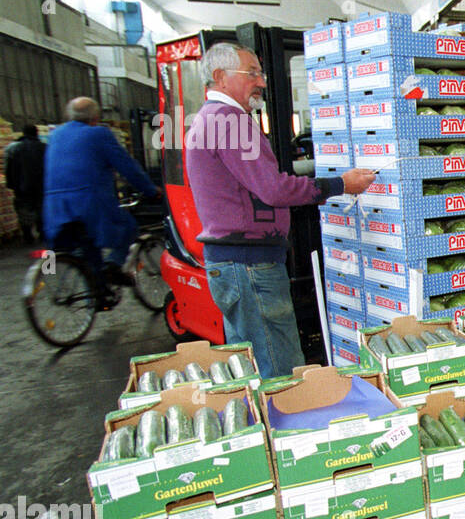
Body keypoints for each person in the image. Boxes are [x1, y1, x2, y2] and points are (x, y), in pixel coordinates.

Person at [186, 42, 375, 378]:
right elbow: (273, 190)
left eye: (261, 72)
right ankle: (286, 426)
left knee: (252, 365)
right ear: (220, 77)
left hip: (232, 265)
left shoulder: (208, 119)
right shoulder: (230, 122)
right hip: (249, 267)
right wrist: (339, 185)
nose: (261, 81)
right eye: (252, 73)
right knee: (280, 370)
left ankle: (266, 426)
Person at [43, 98, 160, 304]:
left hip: (56, 205)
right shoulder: (98, 134)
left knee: (88, 245)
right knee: (128, 226)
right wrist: (150, 190)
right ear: (95, 117)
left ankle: (98, 295)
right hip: (88, 201)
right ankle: (113, 265)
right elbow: (127, 166)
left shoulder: (56, 135)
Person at [5, 123, 45, 244]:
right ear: (36, 133)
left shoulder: (14, 149)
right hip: (41, 186)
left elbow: (10, 168)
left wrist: (11, 184)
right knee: (41, 208)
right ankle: (42, 233)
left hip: (22, 187)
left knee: (24, 211)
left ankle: (27, 235)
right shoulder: (45, 148)